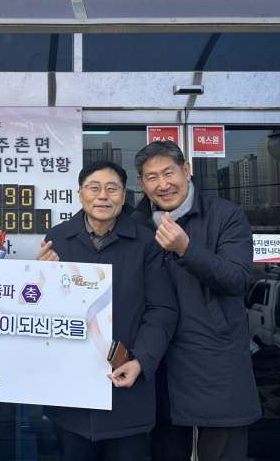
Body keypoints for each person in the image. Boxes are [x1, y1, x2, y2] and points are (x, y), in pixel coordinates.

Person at [35, 160, 178, 461]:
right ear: (80, 194)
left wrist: (140, 361)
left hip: (126, 388)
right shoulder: (57, 237)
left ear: (123, 196)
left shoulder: (146, 241)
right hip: (72, 391)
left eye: (112, 189)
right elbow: (42, 309)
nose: (103, 196)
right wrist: (41, 279)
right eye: (94, 188)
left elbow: (162, 309)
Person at [131, 140, 261, 461]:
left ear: (186, 171)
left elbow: (238, 279)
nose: (163, 185)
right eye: (152, 177)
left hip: (216, 365)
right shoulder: (134, 223)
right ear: (141, 183)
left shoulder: (226, 215)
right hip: (157, 364)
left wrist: (186, 248)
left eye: (169, 173)